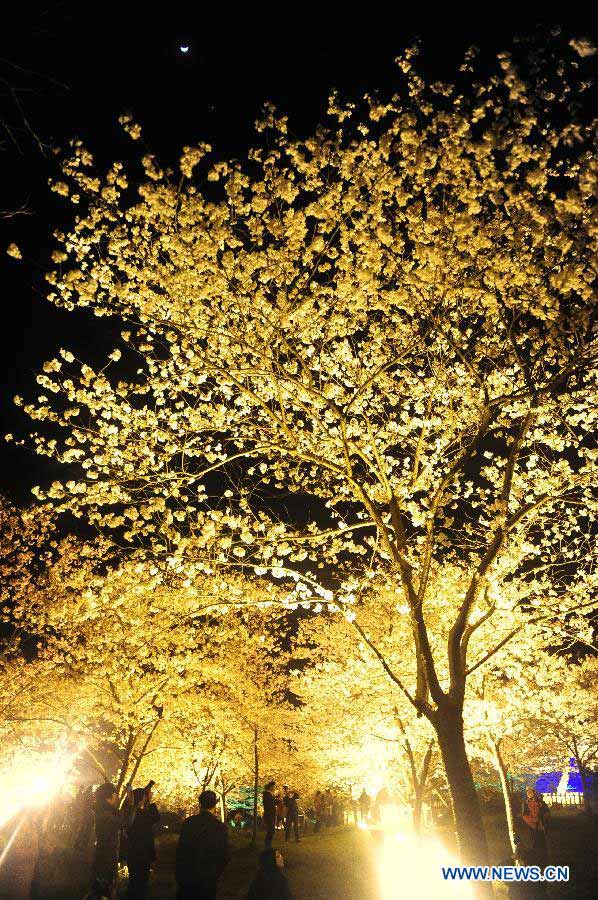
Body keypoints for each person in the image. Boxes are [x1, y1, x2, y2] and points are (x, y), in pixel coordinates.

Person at [175, 789, 231, 900]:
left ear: (200, 804)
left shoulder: (188, 823)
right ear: (215, 805)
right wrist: (216, 873)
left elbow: (180, 849)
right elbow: (225, 854)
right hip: (208, 876)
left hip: (188, 874)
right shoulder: (220, 827)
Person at [92, 783, 138, 900]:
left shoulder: (104, 812)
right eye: (115, 794)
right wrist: (132, 805)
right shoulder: (105, 815)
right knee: (104, 891)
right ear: (109, 796)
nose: (117, 797)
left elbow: (121, 818)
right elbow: (125, 822)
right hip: (105, 860)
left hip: (105, 858)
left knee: (106, 889)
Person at [126, 784, 160, 899]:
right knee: (141, 884)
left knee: (134, 882)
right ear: (142, 799)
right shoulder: (141, 815)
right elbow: (156, 817)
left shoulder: (131, 815)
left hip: (132, 854)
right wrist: (150, 802)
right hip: (143, 855)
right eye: (147, 796)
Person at [521, 787, 550, 869]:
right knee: (533, 843)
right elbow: (524, 816)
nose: (529, 793)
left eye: (530, 792)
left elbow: (547, 812)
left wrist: (544, 817)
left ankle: (543, 861)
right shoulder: (526, 803)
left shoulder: (541, 803)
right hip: (532, 827)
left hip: (541, 827)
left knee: (542, 844)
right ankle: (534, 860)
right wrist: (534, 820)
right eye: (527, 792)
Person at [262, 780, 277, 848]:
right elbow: (269, 804)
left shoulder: (270, 794)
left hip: (271, 814)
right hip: (269, 814)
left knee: (271, 830)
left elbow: (272, 803)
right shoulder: (267, 794)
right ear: (270, 787)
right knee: (271, 830)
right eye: (274, 786)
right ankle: (267, 845)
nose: (274, 788)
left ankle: (268, 844)